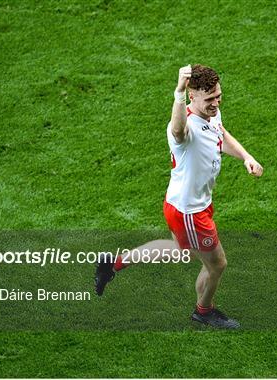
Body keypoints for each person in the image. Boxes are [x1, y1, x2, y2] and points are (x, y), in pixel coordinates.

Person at [94, 64, 263, 329]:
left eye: (218, 96)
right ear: (191, 97)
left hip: (186, 204)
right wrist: (178, 92)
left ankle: (112, 264)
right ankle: (203, 311)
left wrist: (246, 157)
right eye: (209, 99)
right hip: (190, 212)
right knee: (217, 264)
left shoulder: (212, 113)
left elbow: (221, 133)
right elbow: (177, 130)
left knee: (180, 251)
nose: (216, 102)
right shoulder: (185, 129)